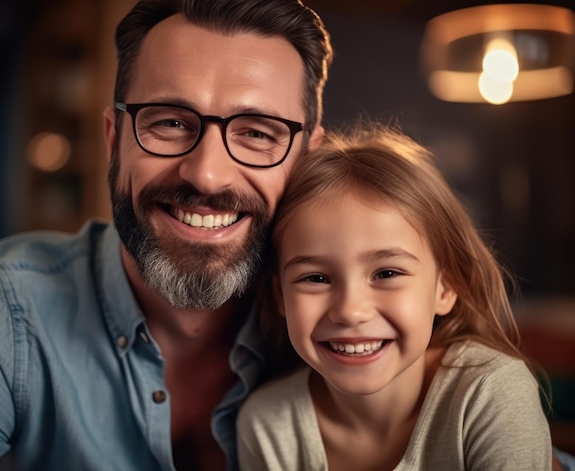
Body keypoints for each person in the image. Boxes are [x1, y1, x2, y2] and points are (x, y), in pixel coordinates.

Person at [0, 1, 332, 470]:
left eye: (257, 133)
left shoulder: (353, 326)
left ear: (309, 159)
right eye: (170, 122)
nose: (207, 176)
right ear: (114, 139)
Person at [237, 123, 556, 470]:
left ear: (445, 288)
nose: (350, 311)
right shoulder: (267, 425)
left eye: (387, 274)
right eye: (316, 278)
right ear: (281, 296)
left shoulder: (491, 392)